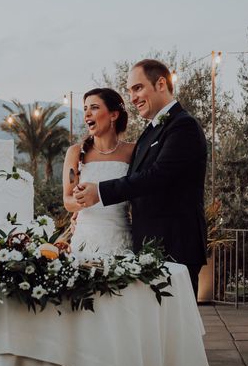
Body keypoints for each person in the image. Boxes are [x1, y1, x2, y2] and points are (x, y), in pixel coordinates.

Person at [74, 59, 208, 298]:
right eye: (130, 91)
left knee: (174, 329)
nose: (133, 97)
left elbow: (157, 177)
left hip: (176, 245)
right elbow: (136, 180)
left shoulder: (183, 126)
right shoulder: (150, 132)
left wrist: (100, 192)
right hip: (147, 246)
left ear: (160, 84)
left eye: (138, 88)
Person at [63, 88, 135, 257]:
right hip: (85, 241)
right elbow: (67, 201)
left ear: (113, 115)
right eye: (85, 108)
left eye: (94, 107)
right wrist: (83, 201)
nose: (87, 113)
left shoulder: (133, 151)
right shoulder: (76, 152)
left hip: (121, 239)